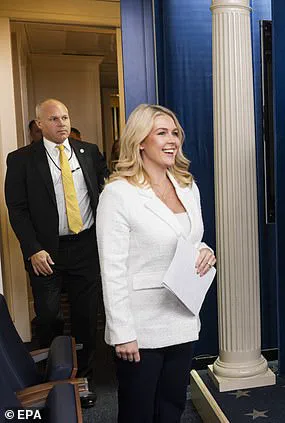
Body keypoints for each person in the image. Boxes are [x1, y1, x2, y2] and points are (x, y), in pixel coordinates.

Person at [96, 104, 215, 422]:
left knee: (172, 406)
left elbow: (188, 239)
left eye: (175, 132)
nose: (172, 139)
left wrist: (204, 250)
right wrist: (122, 332)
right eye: (162, 132)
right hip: (141, 326)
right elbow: (112, 269)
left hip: (182, 317)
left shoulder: (188, 187)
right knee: (138, 412)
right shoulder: (118, 194)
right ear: (139, 142)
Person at [5, 99, 108, 406]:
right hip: (45, 252)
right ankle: (52, 378)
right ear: (39, 124)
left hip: (85, 247)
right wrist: (32, 249)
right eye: (54, 119)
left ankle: (82, 380)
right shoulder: (21, 159)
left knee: (86, 316)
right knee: (49, 315)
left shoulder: (89, 152)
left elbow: (106, 193)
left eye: (65, 117)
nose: (62, 123)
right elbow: (17, 209)